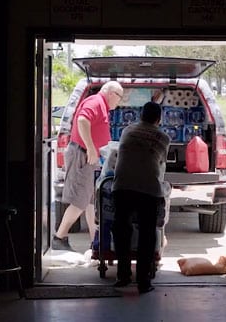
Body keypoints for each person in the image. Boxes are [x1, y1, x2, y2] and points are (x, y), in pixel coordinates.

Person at [52, 80, 125, 252]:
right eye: (119, 97)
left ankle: (96, 242)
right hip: (83, 155)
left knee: (92, 201)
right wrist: (91, 147)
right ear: (111, 93)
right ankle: (59, 238)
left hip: (89, 157)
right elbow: (82, 121)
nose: (119, 101)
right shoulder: (96, 102)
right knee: (80, 200)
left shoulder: (101, 105)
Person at [111, 100, 170, 294]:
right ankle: (143, 281)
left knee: (122, 231)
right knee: (146, 234)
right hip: (148, 189)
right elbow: (160, 163)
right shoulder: (163, 137)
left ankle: (123, 276)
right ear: (158, 119)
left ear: (140, 115)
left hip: (122, 186)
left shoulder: (127, 130)